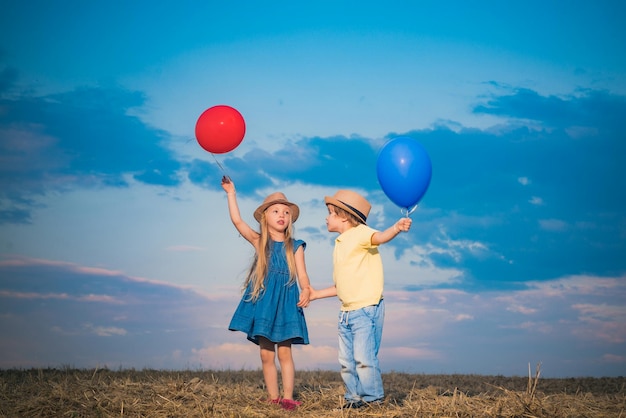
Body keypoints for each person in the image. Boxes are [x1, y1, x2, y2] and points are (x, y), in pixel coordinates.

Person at [310, 190, 412, 409]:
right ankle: (353, 399)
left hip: (366, 309)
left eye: (330, 213)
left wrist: (396, 227)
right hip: (346, 313)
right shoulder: (339, 244)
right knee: (347, 362)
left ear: (344, 217)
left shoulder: (361, 233)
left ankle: (372, 400)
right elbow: (341, 287)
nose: (326, 218)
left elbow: (379, 238)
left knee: (364, 359)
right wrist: (316, 294)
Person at [221, 176, 311, 411]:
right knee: (266, 354)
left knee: (284, 352)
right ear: (265, 218)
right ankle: (273, 397)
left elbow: (302, 275)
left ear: (290, 219)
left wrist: (307, 289)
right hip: (264, 302)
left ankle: (288, 397)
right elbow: (237, 222)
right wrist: (231, 193)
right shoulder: (260, 242)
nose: (282, 215)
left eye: (286, 212)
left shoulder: (296, 245)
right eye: (275, 211)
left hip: (286, 303)